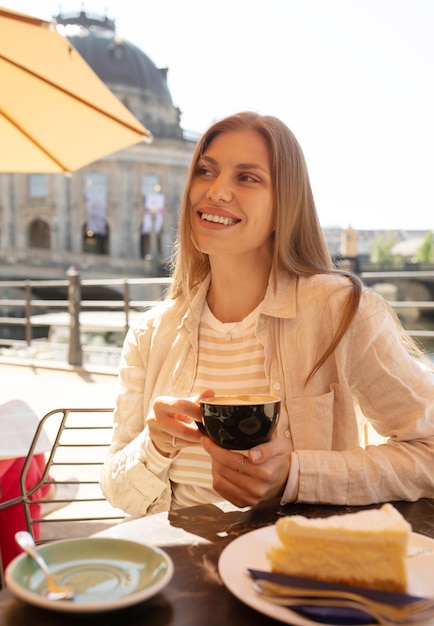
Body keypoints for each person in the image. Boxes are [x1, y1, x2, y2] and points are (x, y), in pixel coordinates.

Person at [100, 111, 434, 518]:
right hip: (174, 571)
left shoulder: (341, 310)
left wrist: (295, 475)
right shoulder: (150, 333)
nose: (216, 192)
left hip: (294, 564)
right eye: (206, 171)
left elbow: (428, 452)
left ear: (284, 206)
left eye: (248, 177)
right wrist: (152, 444)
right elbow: (116, 490)